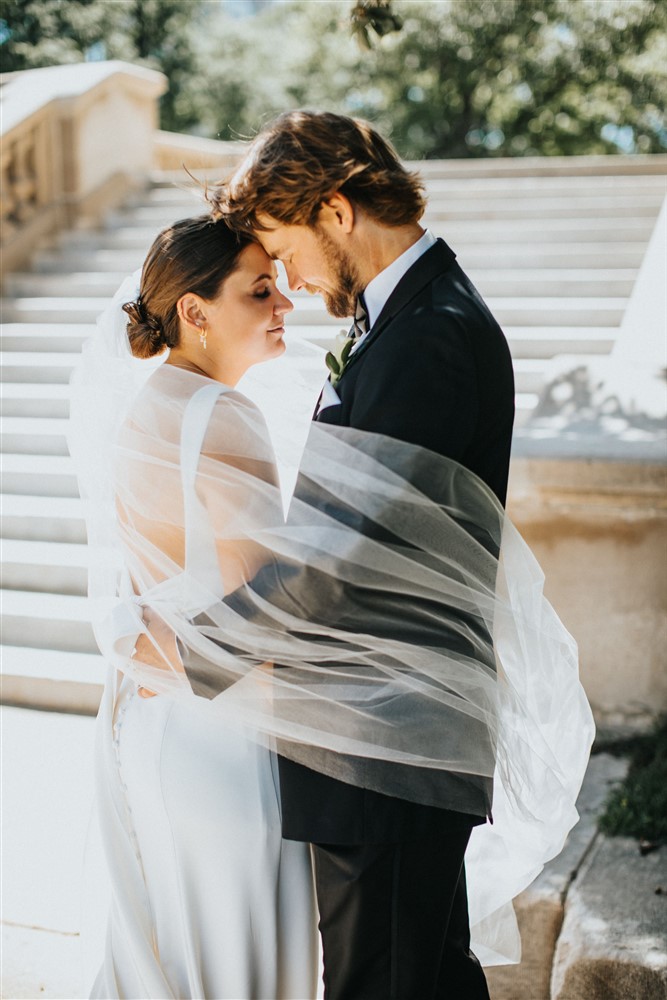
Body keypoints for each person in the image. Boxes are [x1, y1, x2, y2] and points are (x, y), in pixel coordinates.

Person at [212, 110, 514, 1000]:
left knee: (378, 984)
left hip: (383, 740)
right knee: (425, 978)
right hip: (387, 734)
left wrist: (203, 646)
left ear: (337, 212)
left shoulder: (428, 335)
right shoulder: (413, 318)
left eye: (285, 245)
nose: (291, 281)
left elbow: (338, 550)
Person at [70, 216, 320, 999]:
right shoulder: (223, 414)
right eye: (258, 290)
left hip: (154, 727)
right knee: (237, 968)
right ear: (194, 310)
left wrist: (142, 649)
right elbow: (266, 612)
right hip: (226, 736)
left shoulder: (144, 408)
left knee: (174, 959)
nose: (285, 301)